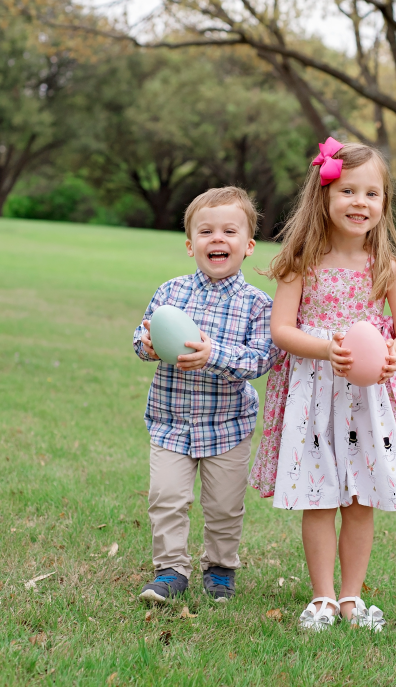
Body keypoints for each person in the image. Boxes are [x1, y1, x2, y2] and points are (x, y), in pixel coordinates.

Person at [250, 139, 396, 631]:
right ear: (323, 196)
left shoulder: (385, 265)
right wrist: (326, 347)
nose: (360, 202)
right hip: (314, 393)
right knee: (320, 495)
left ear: (384, 204)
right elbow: (282, 329)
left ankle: (352, 599)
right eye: (348, 190)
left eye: (372, 193)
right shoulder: (302, 258)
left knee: (360, 499)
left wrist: (393, 352)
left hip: (368, 400)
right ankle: (323, 598)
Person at [133, 187, 277, 603]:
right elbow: (142, 337)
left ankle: (220, 569)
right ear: (190, 244)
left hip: (227, 425)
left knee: (225, 507)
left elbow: (259, 360)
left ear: (248, 245)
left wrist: (215, 355)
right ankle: (170, 571)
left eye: (229, 231)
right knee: (166, 498)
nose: (217, 238)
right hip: (170, 419)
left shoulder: (256, 305)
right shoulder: (171, 293)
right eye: (206, 231)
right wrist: (149, 345)